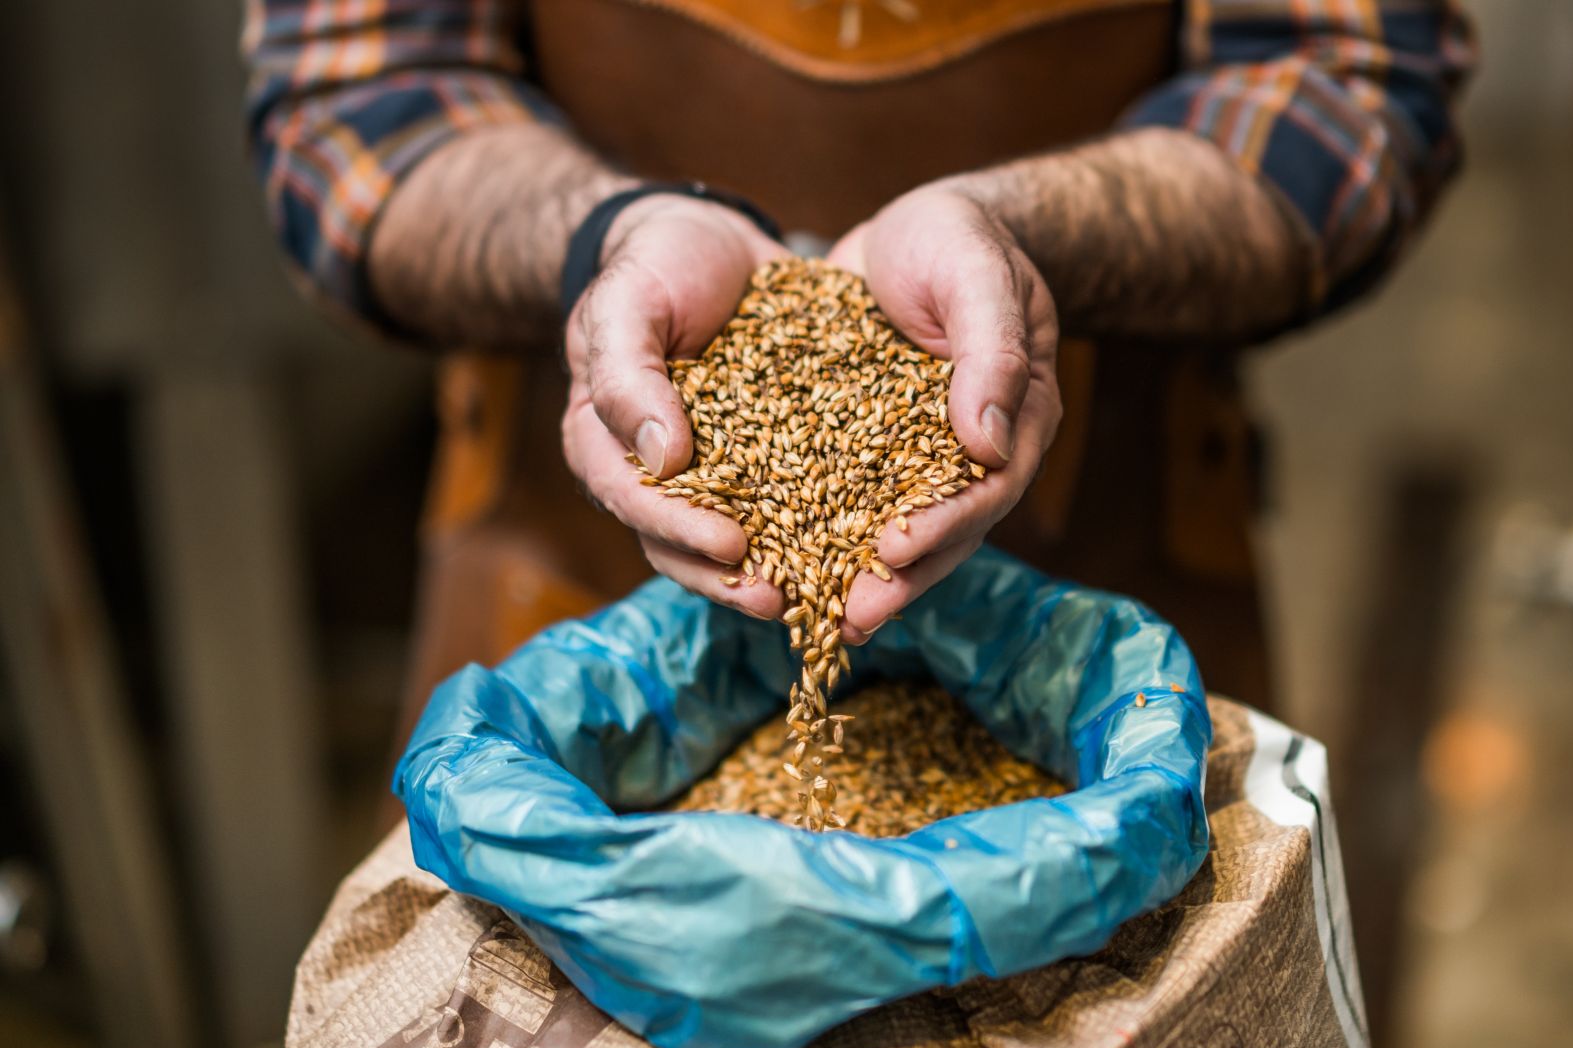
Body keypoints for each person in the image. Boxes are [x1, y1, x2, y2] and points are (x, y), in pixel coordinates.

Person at [243, 0, 1474, 723]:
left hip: (1107, 583)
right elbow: (361, 102)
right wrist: (602, 245)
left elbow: (1343, 85)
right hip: (564, 577)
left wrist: (1032, 237)